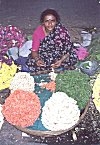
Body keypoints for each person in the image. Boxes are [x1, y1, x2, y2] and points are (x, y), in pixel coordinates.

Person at [26, 9, 78, 73]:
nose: (50, 24)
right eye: (47, 21)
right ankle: (55, 68)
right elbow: (34, 51)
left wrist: (61, 60)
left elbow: (68, 48)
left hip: (60, 53)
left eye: (53, 21)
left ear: (56, 22)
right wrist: (37, 60)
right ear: (43, 22)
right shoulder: (38, 32)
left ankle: (54, 67)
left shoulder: (61, 31)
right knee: (31, 62)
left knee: (72, 57)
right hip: (46, 54)